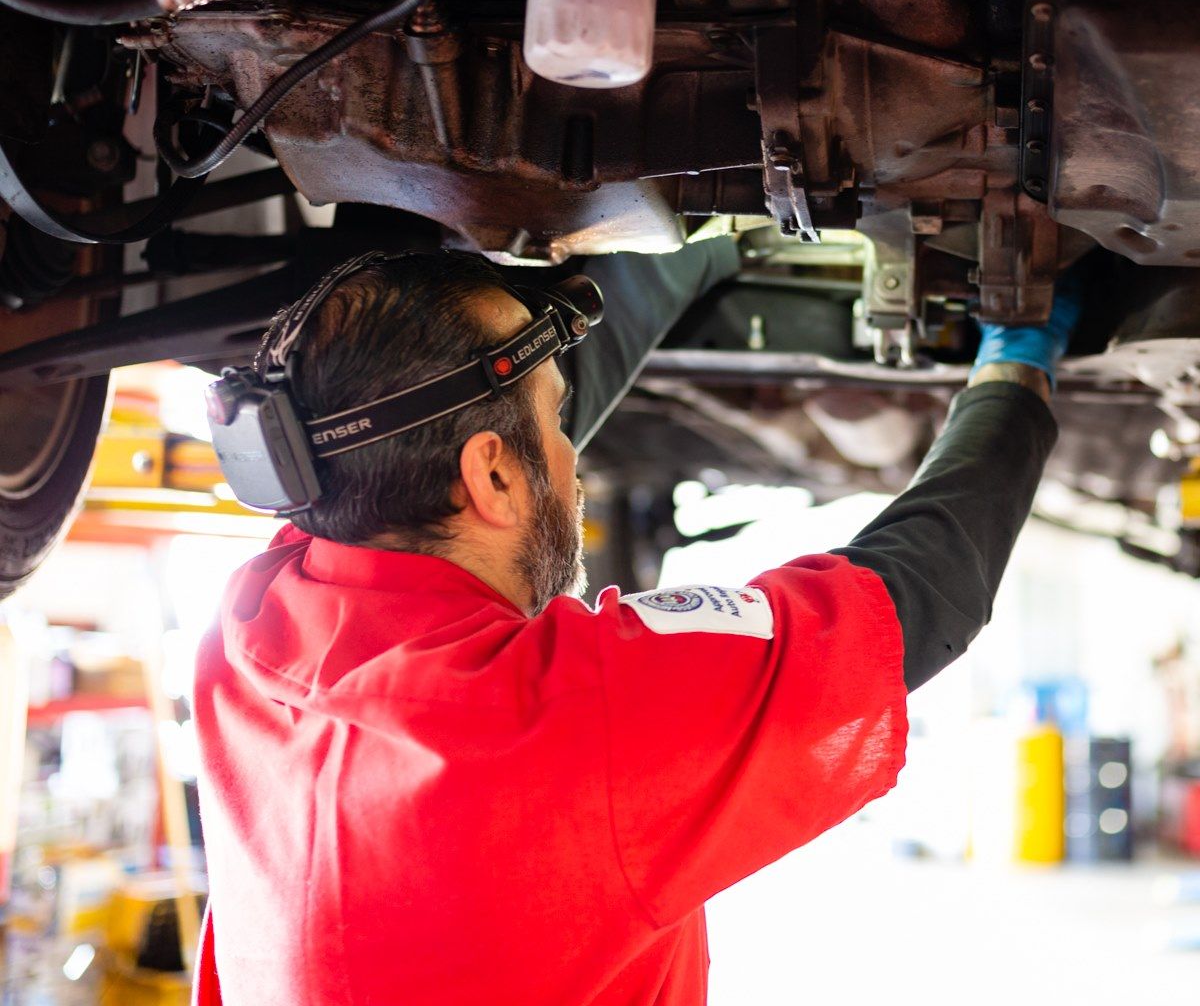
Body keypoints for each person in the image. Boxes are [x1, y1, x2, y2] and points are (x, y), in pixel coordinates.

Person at [190, 235, 1078, 1005]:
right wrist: (1016, 366)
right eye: (558, 419)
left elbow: (463, 452)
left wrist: (692, 247)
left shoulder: (246, 634)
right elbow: (918, 596)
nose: (573, 465)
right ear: (492, 479)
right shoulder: (568, 720)